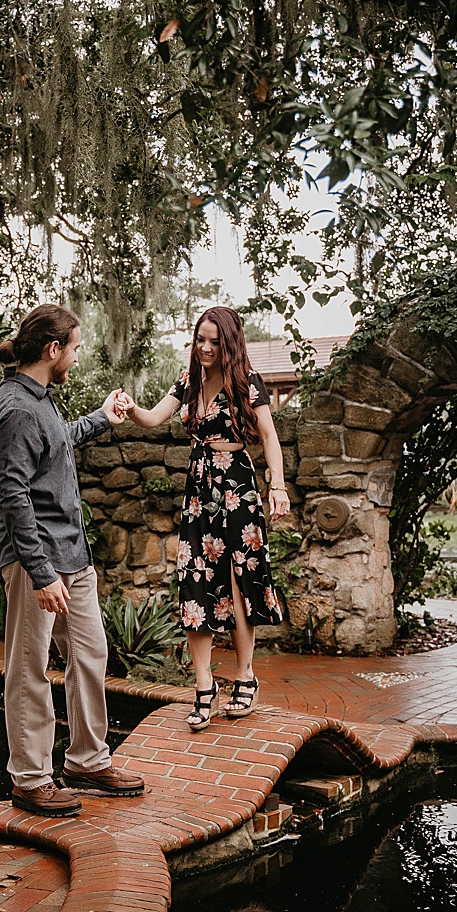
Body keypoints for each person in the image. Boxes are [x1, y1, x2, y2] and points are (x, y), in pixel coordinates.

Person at [0, 304, 147, 817]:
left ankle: (87, 761)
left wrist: (102, 418)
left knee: (90, 657)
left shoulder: (40, 402)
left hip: (73, 558)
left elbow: (56, 446)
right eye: (74, 348)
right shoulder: (13, 409)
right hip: (39, 564)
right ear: (53, 350)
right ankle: (30, 778)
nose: (76, 357)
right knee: (29, 668)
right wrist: (39, 572)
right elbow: (13, 498)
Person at [118, 306, 290, 732]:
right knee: (195, 578)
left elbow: (269, 436)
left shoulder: (246, 381)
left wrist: (278, 486)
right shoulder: (188, 380)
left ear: (228, 342)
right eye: (200, 339)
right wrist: (130, 407)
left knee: (237, 580)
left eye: (214, 340)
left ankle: (246, 675)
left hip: (237, 486)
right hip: (199, 491)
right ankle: (203, 686)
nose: (206, 347)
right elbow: (155, 418)